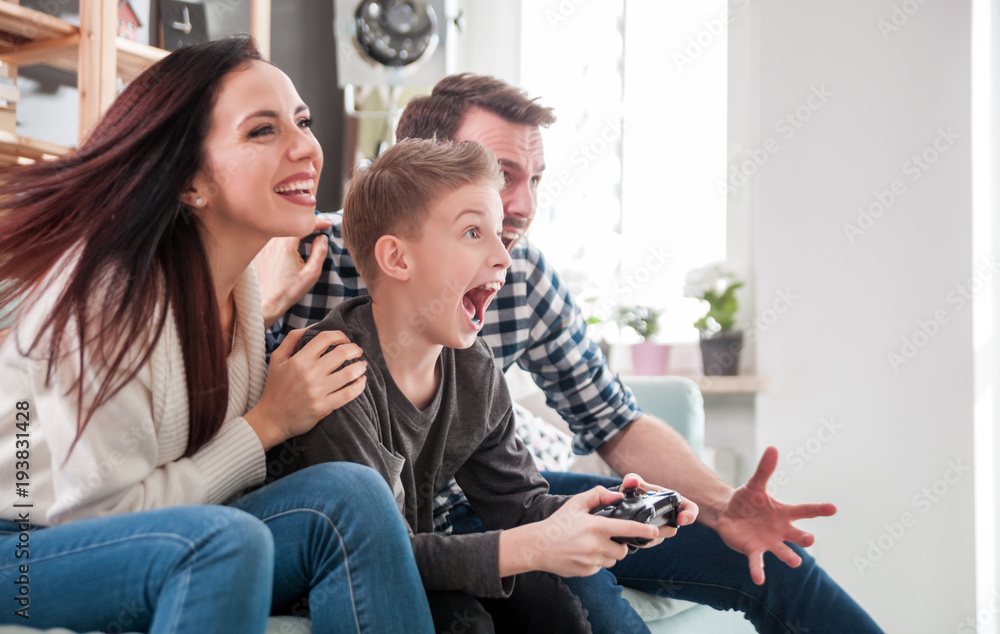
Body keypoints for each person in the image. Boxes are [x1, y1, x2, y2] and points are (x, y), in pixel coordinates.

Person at [260, 73, 884, 633]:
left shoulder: (514, 280)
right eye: (501, 175)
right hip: (388, 525)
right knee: (577, 599)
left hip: (486, 502)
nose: (524, 206)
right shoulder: (299, 263)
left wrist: (719, 506)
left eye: (534, 180)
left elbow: (610, 422)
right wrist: (259, 297)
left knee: (773, 559)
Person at [0, 36, 433, 633]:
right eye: (262, 131)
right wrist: (267, 424)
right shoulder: (109, 298)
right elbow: (97, 523)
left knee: (352, 495)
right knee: (226, 541)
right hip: (25, 552)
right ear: (189, 182)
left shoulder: (242, 293)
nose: (306, 147)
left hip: (147, 539)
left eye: (301, 121)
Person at [268, 137, 698, 633]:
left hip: (409, 555)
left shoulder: (473, 367)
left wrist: (601, 511)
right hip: (334, 571)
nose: (503, 257)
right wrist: (538, 544)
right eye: (473, 232)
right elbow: (380, 550)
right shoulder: (333, 369)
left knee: (556, 608)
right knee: (466, 622)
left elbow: (519, 505)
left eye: (498, 234)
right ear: (397, 258)